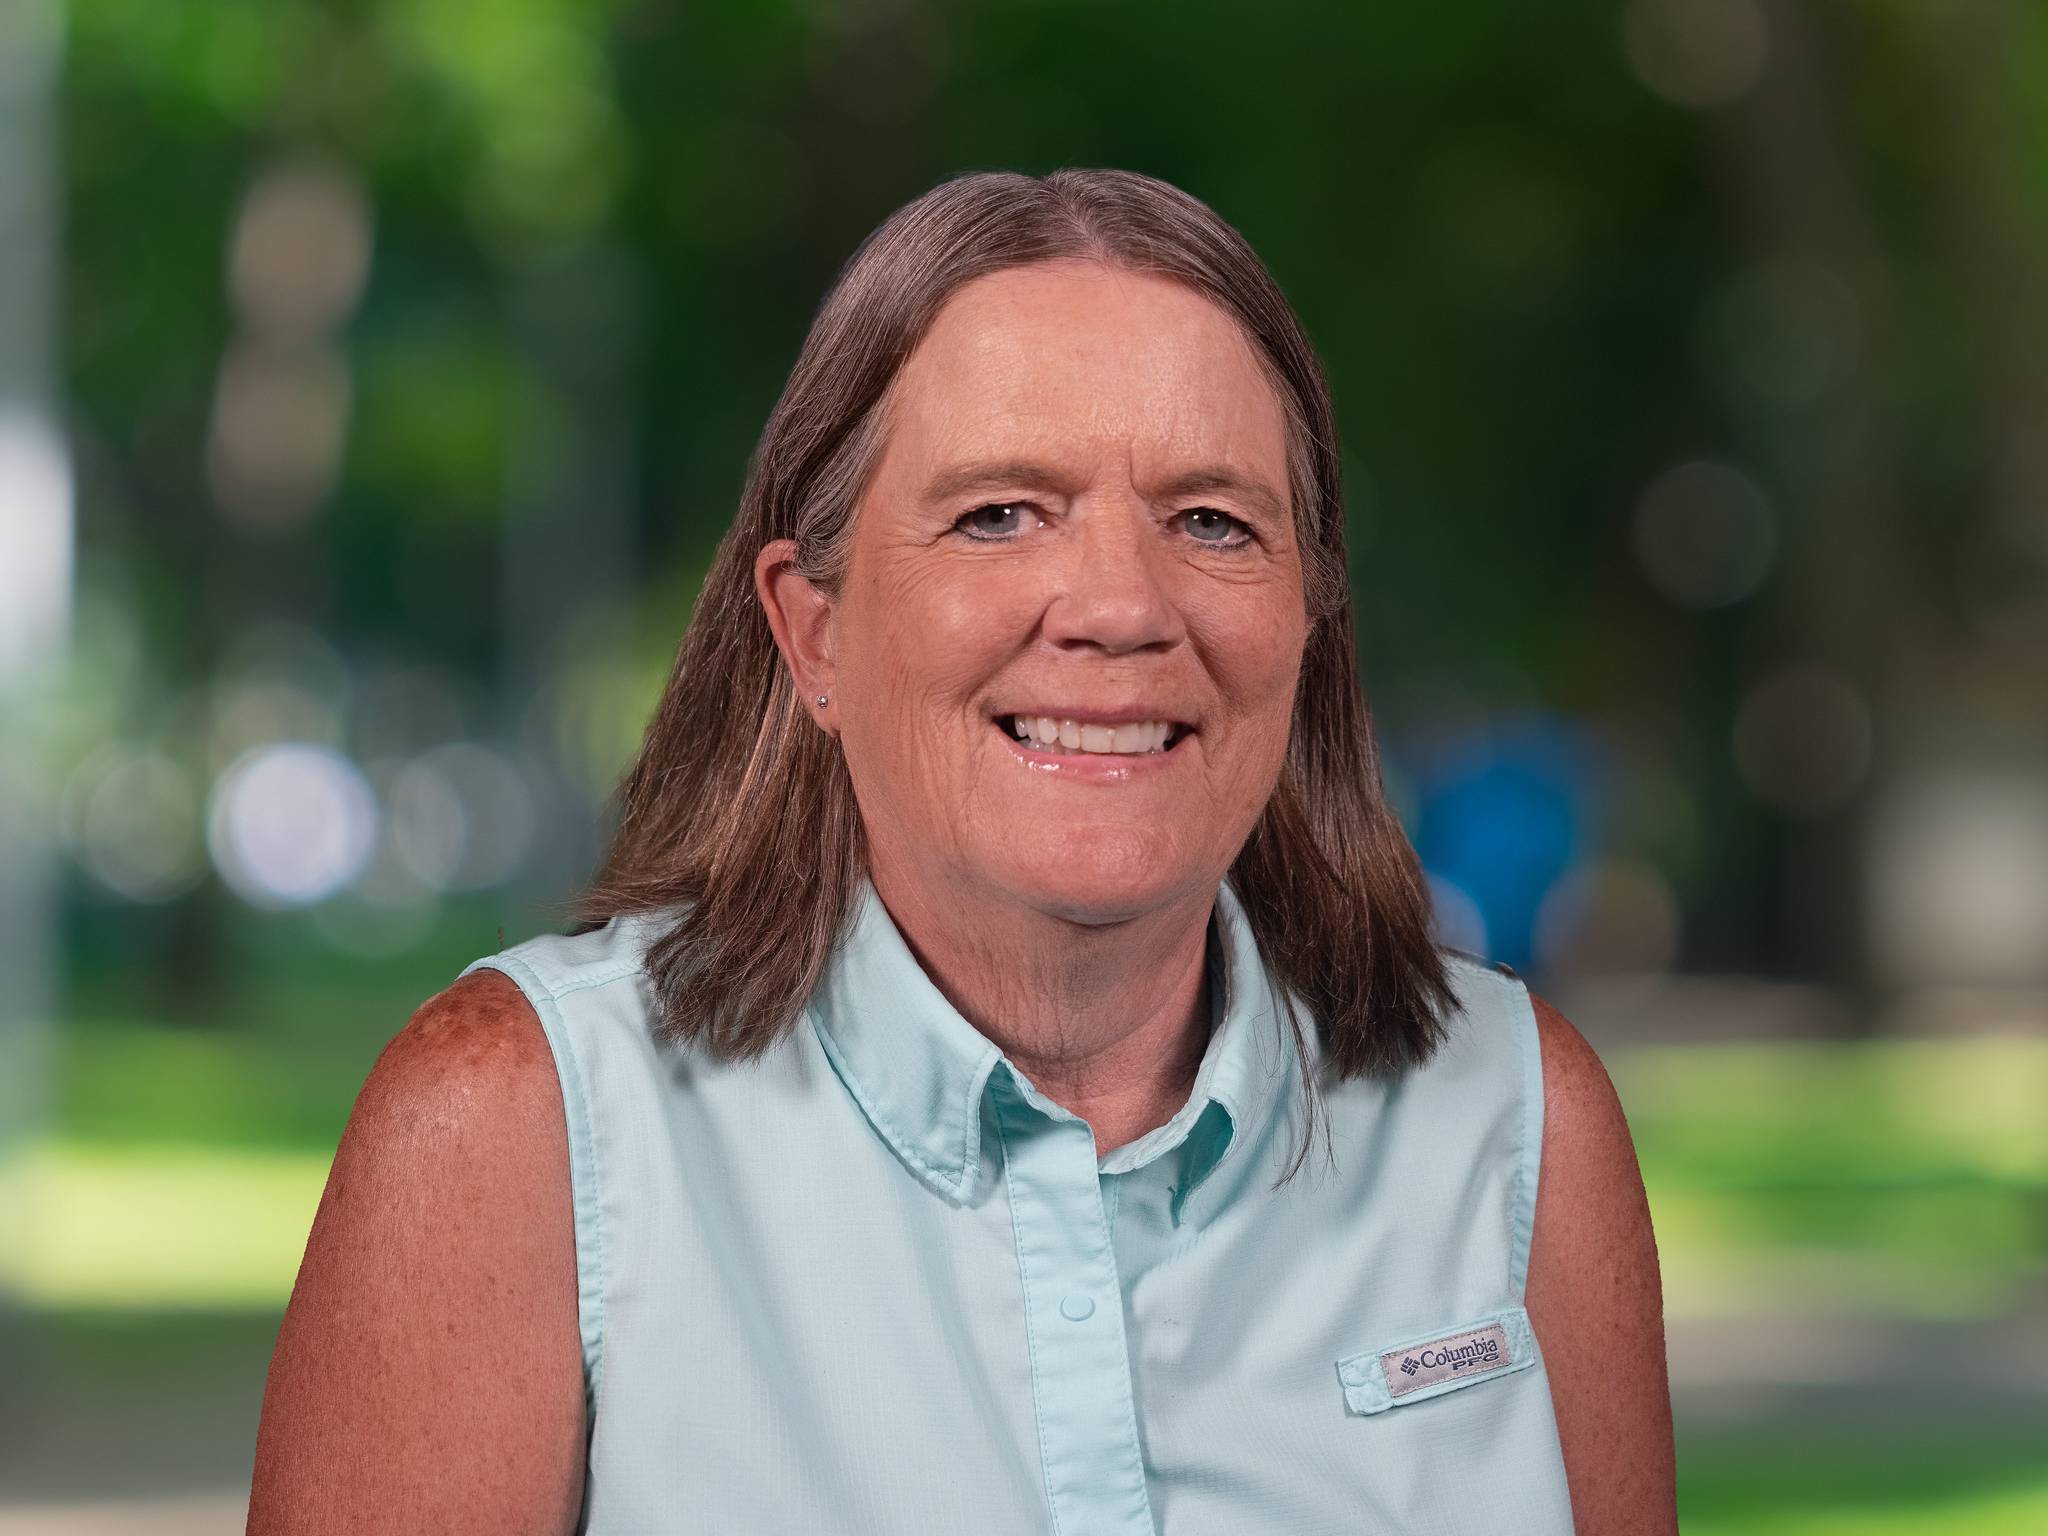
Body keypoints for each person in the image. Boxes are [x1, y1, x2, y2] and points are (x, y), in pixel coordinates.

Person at [247, 168, 1675, 1534]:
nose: (1121, 604)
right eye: (1000, 514)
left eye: (1212, 521)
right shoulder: (521, 1130)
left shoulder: (1514, 1119)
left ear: (1309, 620)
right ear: (812, 631)